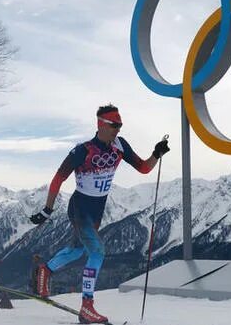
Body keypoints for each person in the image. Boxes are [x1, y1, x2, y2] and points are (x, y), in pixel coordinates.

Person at [29, 104, 169, 324]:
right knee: (97, 252)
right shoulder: (82, 151)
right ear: (101, 124)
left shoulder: (120, 146)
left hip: (97, 210)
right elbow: (58, 179)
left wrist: (156, 154)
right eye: (114, 125)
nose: (118, 130)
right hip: (80, 208)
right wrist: (47, 210)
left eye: (120, 125)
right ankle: (87, 307)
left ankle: (44, 271)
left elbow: (143, 168)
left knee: (77, 251)